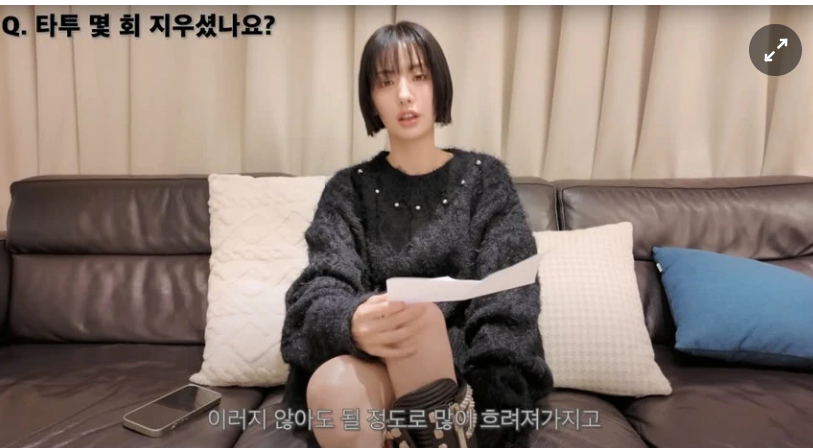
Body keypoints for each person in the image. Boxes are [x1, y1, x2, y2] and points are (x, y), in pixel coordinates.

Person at [279, 20, 554, 448]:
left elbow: (510, 295)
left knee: (418, 316)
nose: (404, 94)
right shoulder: (347, 190)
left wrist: (493, 385)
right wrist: (350, 322)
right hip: (375, 362)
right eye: (386, 82)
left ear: (439, 85)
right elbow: (321, 284)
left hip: (464, 374)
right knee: (333, 386)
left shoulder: (484, 181)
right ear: (371, 99)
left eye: (419, 76)